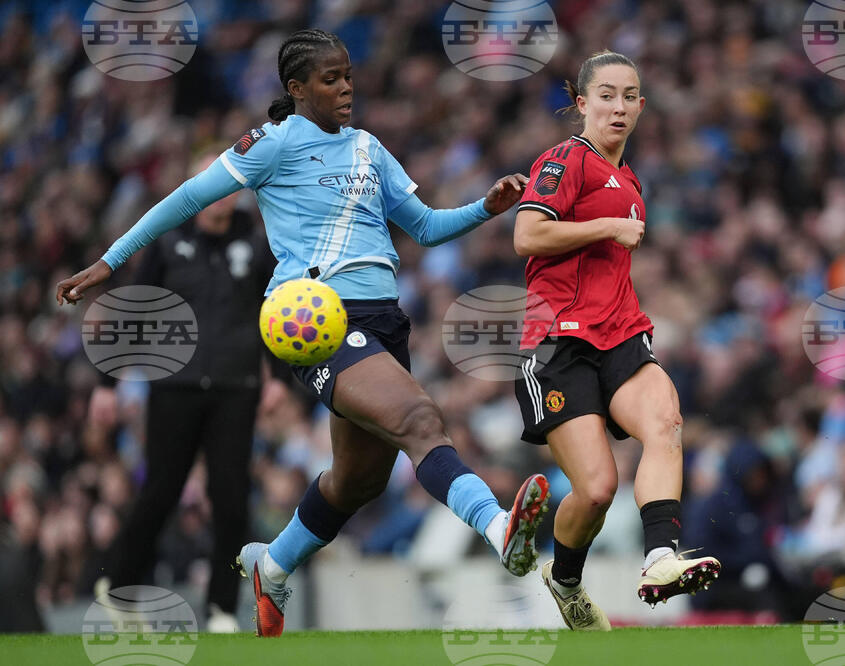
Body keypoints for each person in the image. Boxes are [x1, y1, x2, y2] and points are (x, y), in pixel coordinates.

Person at [55, 29, 550, 638]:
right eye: (330, 79)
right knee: (420, 420)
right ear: (296, 88)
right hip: (317, 323)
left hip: (384, 321)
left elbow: (423, 227)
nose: (346, 88)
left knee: (359, 480)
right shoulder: (273, 143)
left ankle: (273, 563)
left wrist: (485, 208)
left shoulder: (369, 148)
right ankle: (501, 529)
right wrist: (110, 260)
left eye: (348, 76)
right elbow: (184, 199)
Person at [512, 51, 720, 631]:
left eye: (629, 96)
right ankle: (566, 580)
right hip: (556, 341)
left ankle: (659, 558)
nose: (619, 107)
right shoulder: (562, 160)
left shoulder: (629, 179)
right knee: (598, 489)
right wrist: (608, 226)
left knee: (667, 422)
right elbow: (527, 234)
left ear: (642, 106)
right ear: (582, 103)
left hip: (621, 333)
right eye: (606, 94)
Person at [88, 150, 275, 633]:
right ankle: (119, 586)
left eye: (230, 185)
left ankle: (220, 609)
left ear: (240, 192)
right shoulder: (168, 244)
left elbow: (275, 317)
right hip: (175, 387)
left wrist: (281, 380)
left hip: (238, 388)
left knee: (232, 500)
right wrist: (106, 385)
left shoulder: (256, 246)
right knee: (162, 493)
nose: (221, 194)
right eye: (211, 183)